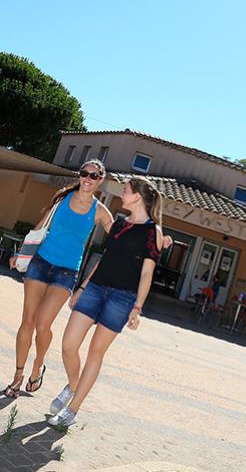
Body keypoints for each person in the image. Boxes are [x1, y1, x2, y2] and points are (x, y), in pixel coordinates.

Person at [47, 176, 166, 427]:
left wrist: (137, 307)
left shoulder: (153, 232)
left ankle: (73, 409)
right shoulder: (120, 224)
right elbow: (105, 258)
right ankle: (72, 385)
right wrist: (83, 287)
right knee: (69, 343)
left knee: (95, 353)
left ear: (137, 196)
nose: (122, 194)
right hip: (95, 289)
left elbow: (147, 273)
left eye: (126, 190)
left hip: (122, 299)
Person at [2, 159, 113, 398]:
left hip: (66, 272)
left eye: (94, 176)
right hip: (41, 263)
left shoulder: (100, 211)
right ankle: (17, 376)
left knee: (43, 325)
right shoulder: (63, 199)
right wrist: (22, 254)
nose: (87, 179)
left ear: (100, 180)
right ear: (80, 174)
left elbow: (117, 246)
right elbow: (40, 227)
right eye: (84, 173)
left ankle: (38, 365)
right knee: (28, 321)